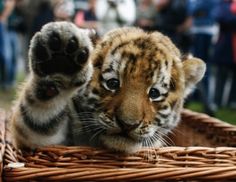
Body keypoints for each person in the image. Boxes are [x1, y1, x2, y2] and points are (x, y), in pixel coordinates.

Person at [188, 0, 219, 115]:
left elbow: (206, 8)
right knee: (196, 65)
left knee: (204, 67)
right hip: (196, 32)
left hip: (206, 33)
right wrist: (198, 10)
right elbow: (192, 10)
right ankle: (198, 98)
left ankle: (206, 102)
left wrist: (197, 10)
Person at [211, 0, 236, 108]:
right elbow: (222, 17)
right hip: (225, 45)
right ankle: (217, 101)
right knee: (221, 74)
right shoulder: (222, 3)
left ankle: (232, 101)